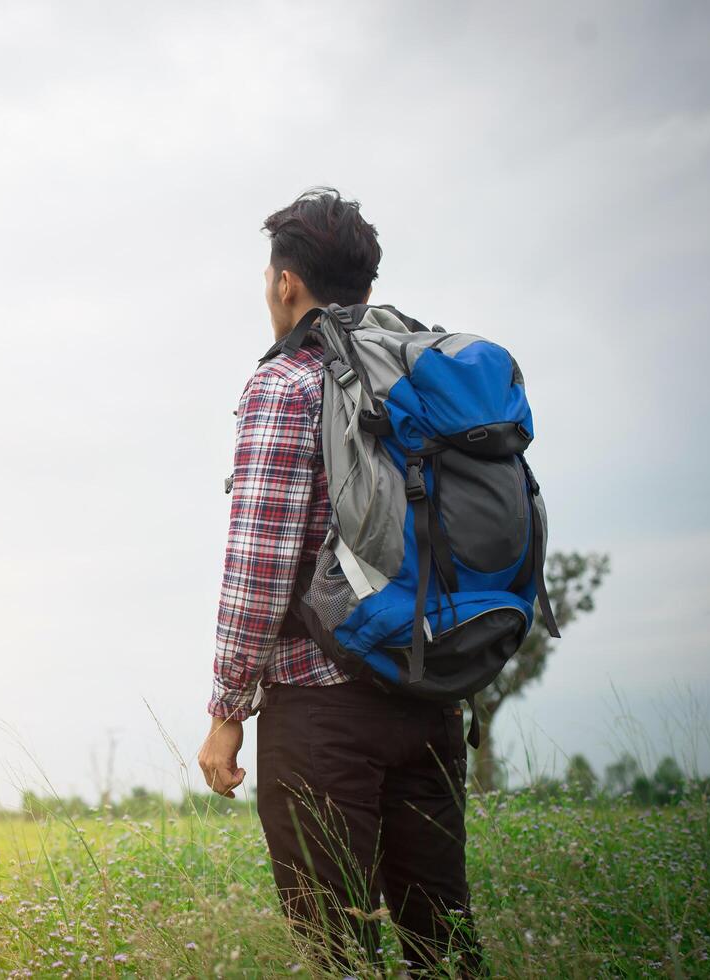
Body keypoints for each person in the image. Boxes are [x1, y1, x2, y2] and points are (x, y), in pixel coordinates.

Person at [196, 187, 485, 977]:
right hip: (429, 692)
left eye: (267, 274)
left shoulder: (283, 385)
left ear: (286, 283)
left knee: (336, 952)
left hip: (322, 711)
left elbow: (258, 566)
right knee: (443, 946)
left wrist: (226, 710)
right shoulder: (419, 378)